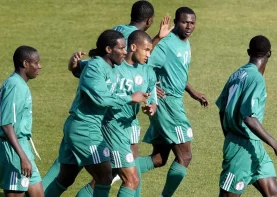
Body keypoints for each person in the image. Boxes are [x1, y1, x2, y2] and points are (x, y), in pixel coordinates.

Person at [43, 29, 149, 197]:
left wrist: (73, 64)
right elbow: (101, 99)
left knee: (66, 177)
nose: (125, 51)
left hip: (86, 127)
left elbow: (78, 67)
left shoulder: (111, 65)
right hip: (84, 128)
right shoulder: (95, 67)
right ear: (109, 50)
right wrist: (130, 98)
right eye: (121, 48)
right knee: (105, 176)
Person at [75, 30, 158, 197]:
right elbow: (80, 66)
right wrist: (73, 63)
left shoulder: (148, 71)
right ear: (133, 47)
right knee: (131, 178)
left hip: (128, 126)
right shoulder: (114, 65)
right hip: (112, 126)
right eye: (147, 50)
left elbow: (152, 98)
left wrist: (152, 107)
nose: (149, 54)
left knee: (107, 176)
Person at [140, 7, 209, 197]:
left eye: (192, 23)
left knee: (159, 158)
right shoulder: (166, 43)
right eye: (184, 22)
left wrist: (192, 91)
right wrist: (152, 88)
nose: (188, 26)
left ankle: (122, 167)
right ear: (176, 22)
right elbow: (143, 63)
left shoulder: (184, 43)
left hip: (174, 100)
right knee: (185, 156)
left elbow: (176, 71)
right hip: (168, 104)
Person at [215, 35, 277, 197]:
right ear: (269, 54)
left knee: (274, 194)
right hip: (240, 147)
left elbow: (221, 109)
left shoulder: (236, 75)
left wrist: (228, 134)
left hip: (254, 147)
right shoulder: (256, 78)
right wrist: (276, 145)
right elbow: (248, 117)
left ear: (249, 52)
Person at [0, 46, 44, 197]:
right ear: (25, 63)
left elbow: (1, 120)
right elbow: (6, 124)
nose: (39, 66)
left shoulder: (17, 84)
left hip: (20, 146)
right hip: (14, 151)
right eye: (36, 63)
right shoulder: (15, 86)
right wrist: (21, 157)